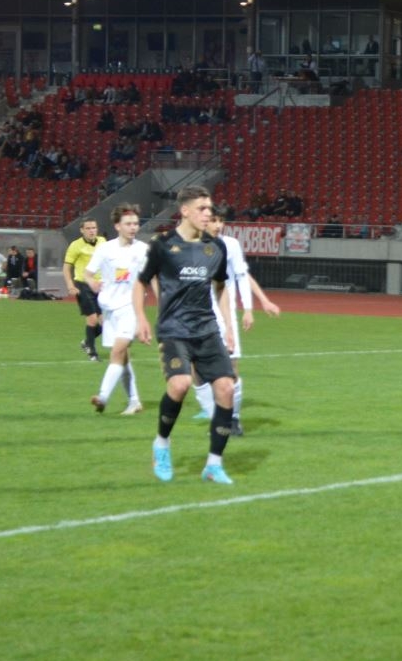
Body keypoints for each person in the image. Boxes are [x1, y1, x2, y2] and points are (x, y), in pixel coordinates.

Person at [133, 185, 239, 485]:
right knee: (179, 385)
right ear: (185, 211)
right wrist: (141, 317)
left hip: (207, 330)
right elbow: (141, 282)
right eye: (202, 209)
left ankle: (214, 465)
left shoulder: (215, 248)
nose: (208, 214)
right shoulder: (163, 245)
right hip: (174, 330)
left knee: (226, 389)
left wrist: (229, 326)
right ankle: (162, 444)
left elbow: (221, 287)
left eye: (210, 208)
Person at [190, 206, 282, 437]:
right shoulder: (190, 245)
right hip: (197, 313)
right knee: (197, 370)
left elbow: (242, 275)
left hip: (225, 312)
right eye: (213, 220)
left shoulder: (230, 244)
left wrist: (250, 309)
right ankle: (216, 417)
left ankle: (234, 419)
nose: (218, 225)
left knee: (231, 368)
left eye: (221, 220)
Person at [84, 204, 148, 416]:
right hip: (109, 309)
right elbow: (88, 273)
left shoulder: (143, 249)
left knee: (117, 352)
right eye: (128, 224)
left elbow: (153, 278)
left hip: (130, 307)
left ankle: (103, 397)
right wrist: (92, 282)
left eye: (136, 223)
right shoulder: (105, 249)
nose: (133, 227)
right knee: (122, 358)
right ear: (117, 226)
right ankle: (134, 401)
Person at [63, 218, 103, 361]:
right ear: (82, 230)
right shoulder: (75, 245)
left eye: (94, 228)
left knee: (106, 323)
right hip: (83, 284)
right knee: (92, 318)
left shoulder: (103, 242)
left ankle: (87, 342)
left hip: (100, 285)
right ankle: (92, 353)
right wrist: (70, 285)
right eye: (88, 228)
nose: (92, 231)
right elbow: (67, 267)